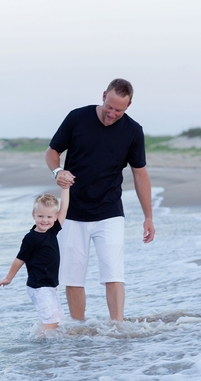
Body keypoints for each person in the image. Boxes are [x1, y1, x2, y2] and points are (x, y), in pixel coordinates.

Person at [44, 78, 155, 322]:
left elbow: (140, 174)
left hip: (110, 212)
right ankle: (79, 330)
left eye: (120, 110)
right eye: (110, 107)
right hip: (72, 212)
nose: (113, 114)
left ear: (129, 106)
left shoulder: (133, 131)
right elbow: (52, 152)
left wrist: (148, 216)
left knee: (114, 274)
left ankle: (118, 327)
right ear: (103, 95)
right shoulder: (77, 118)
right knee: (73, 278)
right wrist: (58, 172)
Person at [0, 187, 71, 330]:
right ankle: (41, 347)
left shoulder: (52, 231)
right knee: (51, 322)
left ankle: (50, 349)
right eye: (41, 216)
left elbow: (65, 207)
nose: (45, 220)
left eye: (49, 217)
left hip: (51, 285)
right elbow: (19, 259)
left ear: (55, 217)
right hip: (39, 287)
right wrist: (8, 278)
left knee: (58, 321)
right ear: (33, 215)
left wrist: (65, 188)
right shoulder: (31, 238)